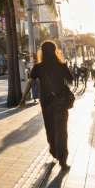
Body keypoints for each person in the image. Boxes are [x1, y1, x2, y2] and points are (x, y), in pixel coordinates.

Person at [20, 41, 74, 170]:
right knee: (62, 131)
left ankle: (54, 151)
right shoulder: (61, 65)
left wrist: (23, 98)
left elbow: (30, 82)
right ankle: (63, 159)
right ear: (55, 51)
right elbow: (71, 81)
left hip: (46, 103)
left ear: (42, 52)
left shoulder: (38, 67)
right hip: (61, 102)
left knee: (50, 129)